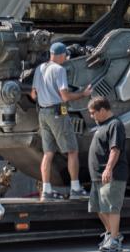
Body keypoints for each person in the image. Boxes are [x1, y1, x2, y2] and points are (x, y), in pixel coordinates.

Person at [31, 42, 91, 201]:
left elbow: (33, 95)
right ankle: (76, 189)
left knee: (48, 153)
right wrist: (83, 94)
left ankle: (47, 191)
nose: (66, 58)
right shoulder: (59, 70)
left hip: (42, 113)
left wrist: (46, 94)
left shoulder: (39, 68)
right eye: (65, 55)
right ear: (61, 55)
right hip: (58, 112)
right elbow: (65, 97)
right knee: (72, 150)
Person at [87, 97, 128, 252]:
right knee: (98, 207)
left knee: (112, 208)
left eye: (93, 113)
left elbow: (115, 149)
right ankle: (111, 234)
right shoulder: (102, 125)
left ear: (102, 110)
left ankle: (115, 240)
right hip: (97, 176)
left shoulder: (115, 125)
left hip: (111, 175)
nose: (92, 116)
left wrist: (108, 168)